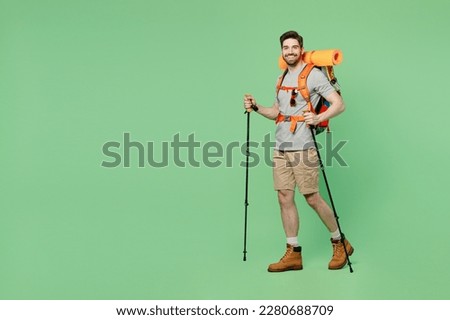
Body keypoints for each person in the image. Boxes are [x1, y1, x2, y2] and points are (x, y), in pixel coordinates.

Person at [243, 30, 353, 272]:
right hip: (281, 146)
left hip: (303, 146)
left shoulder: (313, 76)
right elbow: (276, 112)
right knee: (284, 197)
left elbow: (339, 104)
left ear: (301, 49)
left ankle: (339, 241)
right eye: (286, 48)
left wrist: (318, 117)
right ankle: (293, 252)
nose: (290, 51)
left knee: (312, 197)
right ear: (281, 51)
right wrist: (256, 107)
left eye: (294, 47)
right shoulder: (281, 78)